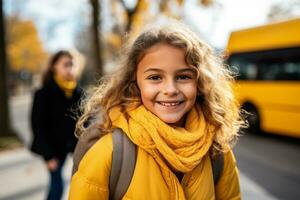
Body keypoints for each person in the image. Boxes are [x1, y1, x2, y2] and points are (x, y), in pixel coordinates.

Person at [69, 21, 245, 199]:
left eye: (183, 76)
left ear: (200, 83)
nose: (170, 89)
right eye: (155, 77)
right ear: (135, 82)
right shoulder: (111, 152)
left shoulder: (216, 151)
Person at [31, 50, 83, 200]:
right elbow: (38, 127)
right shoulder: (43, 94)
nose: (70, 69)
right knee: (57, 186)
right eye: (65, 65)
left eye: (72, 65)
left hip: (74, 146)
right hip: (52, 148)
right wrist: (49, 157)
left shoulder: (79, 92)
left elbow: (86, 121)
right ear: (54, 67)